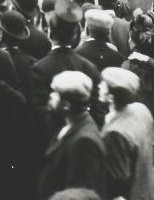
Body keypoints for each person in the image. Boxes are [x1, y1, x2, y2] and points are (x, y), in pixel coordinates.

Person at [38, 70, 106, 199]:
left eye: (55, 93)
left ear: (66, 105)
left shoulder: (84, 142)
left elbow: (81, 194)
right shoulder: (69, 125)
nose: (50, 96)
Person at [100, 66, 154, 200]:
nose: (99, 87)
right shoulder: (142, 110)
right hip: (150, 191)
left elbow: (116, 183)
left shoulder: (114, 132)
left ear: (111, 96)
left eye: (102, 84)